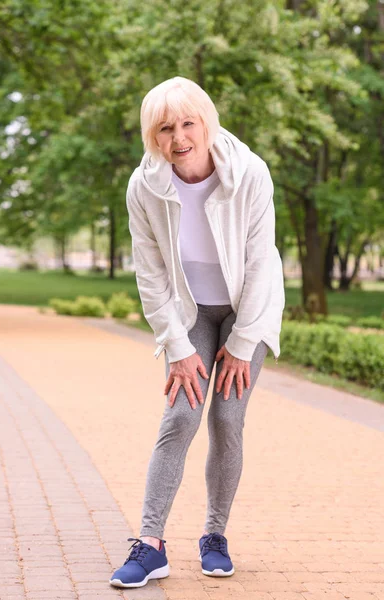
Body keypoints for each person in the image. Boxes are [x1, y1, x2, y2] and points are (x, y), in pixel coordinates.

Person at [109, 76, 285, 589]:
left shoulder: (250, 172)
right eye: (165, 128)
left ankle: (214, 536)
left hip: (244, 311)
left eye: (189, 123)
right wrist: (178, 347)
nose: (179, 137)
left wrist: (243, 342)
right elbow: (151, 273)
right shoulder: (144, 186)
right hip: (189, 313)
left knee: (228, 419)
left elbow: (261, 264)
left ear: (207, 121)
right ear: (152, 135)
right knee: (180, 418)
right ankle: (150, 544)